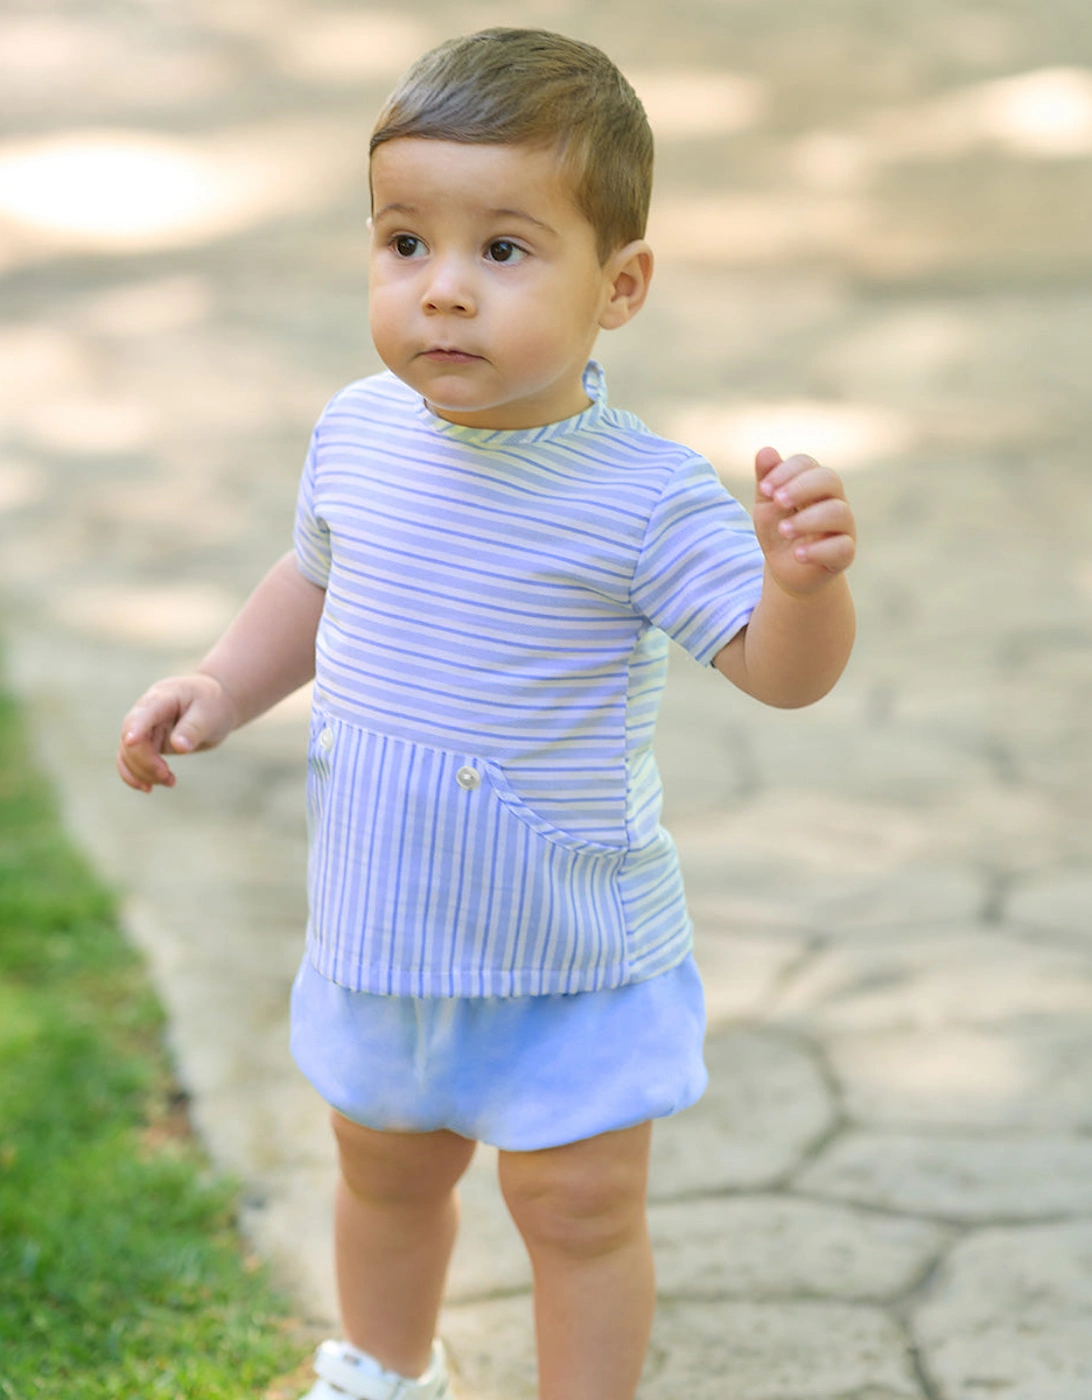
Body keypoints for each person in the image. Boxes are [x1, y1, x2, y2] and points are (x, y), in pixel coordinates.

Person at [116, 27, 856, 1400]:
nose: (443, 293)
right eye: (406, 243)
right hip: (387, 923)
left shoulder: (645, 496)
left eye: (503, 252)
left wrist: (801, 585)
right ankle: (387, 1367)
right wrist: (222, 683)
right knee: (383, 1177)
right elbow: (313, 576)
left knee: (578, 1211)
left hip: (567, 947)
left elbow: (777, 668)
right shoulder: (357, 431)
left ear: (618, 285)